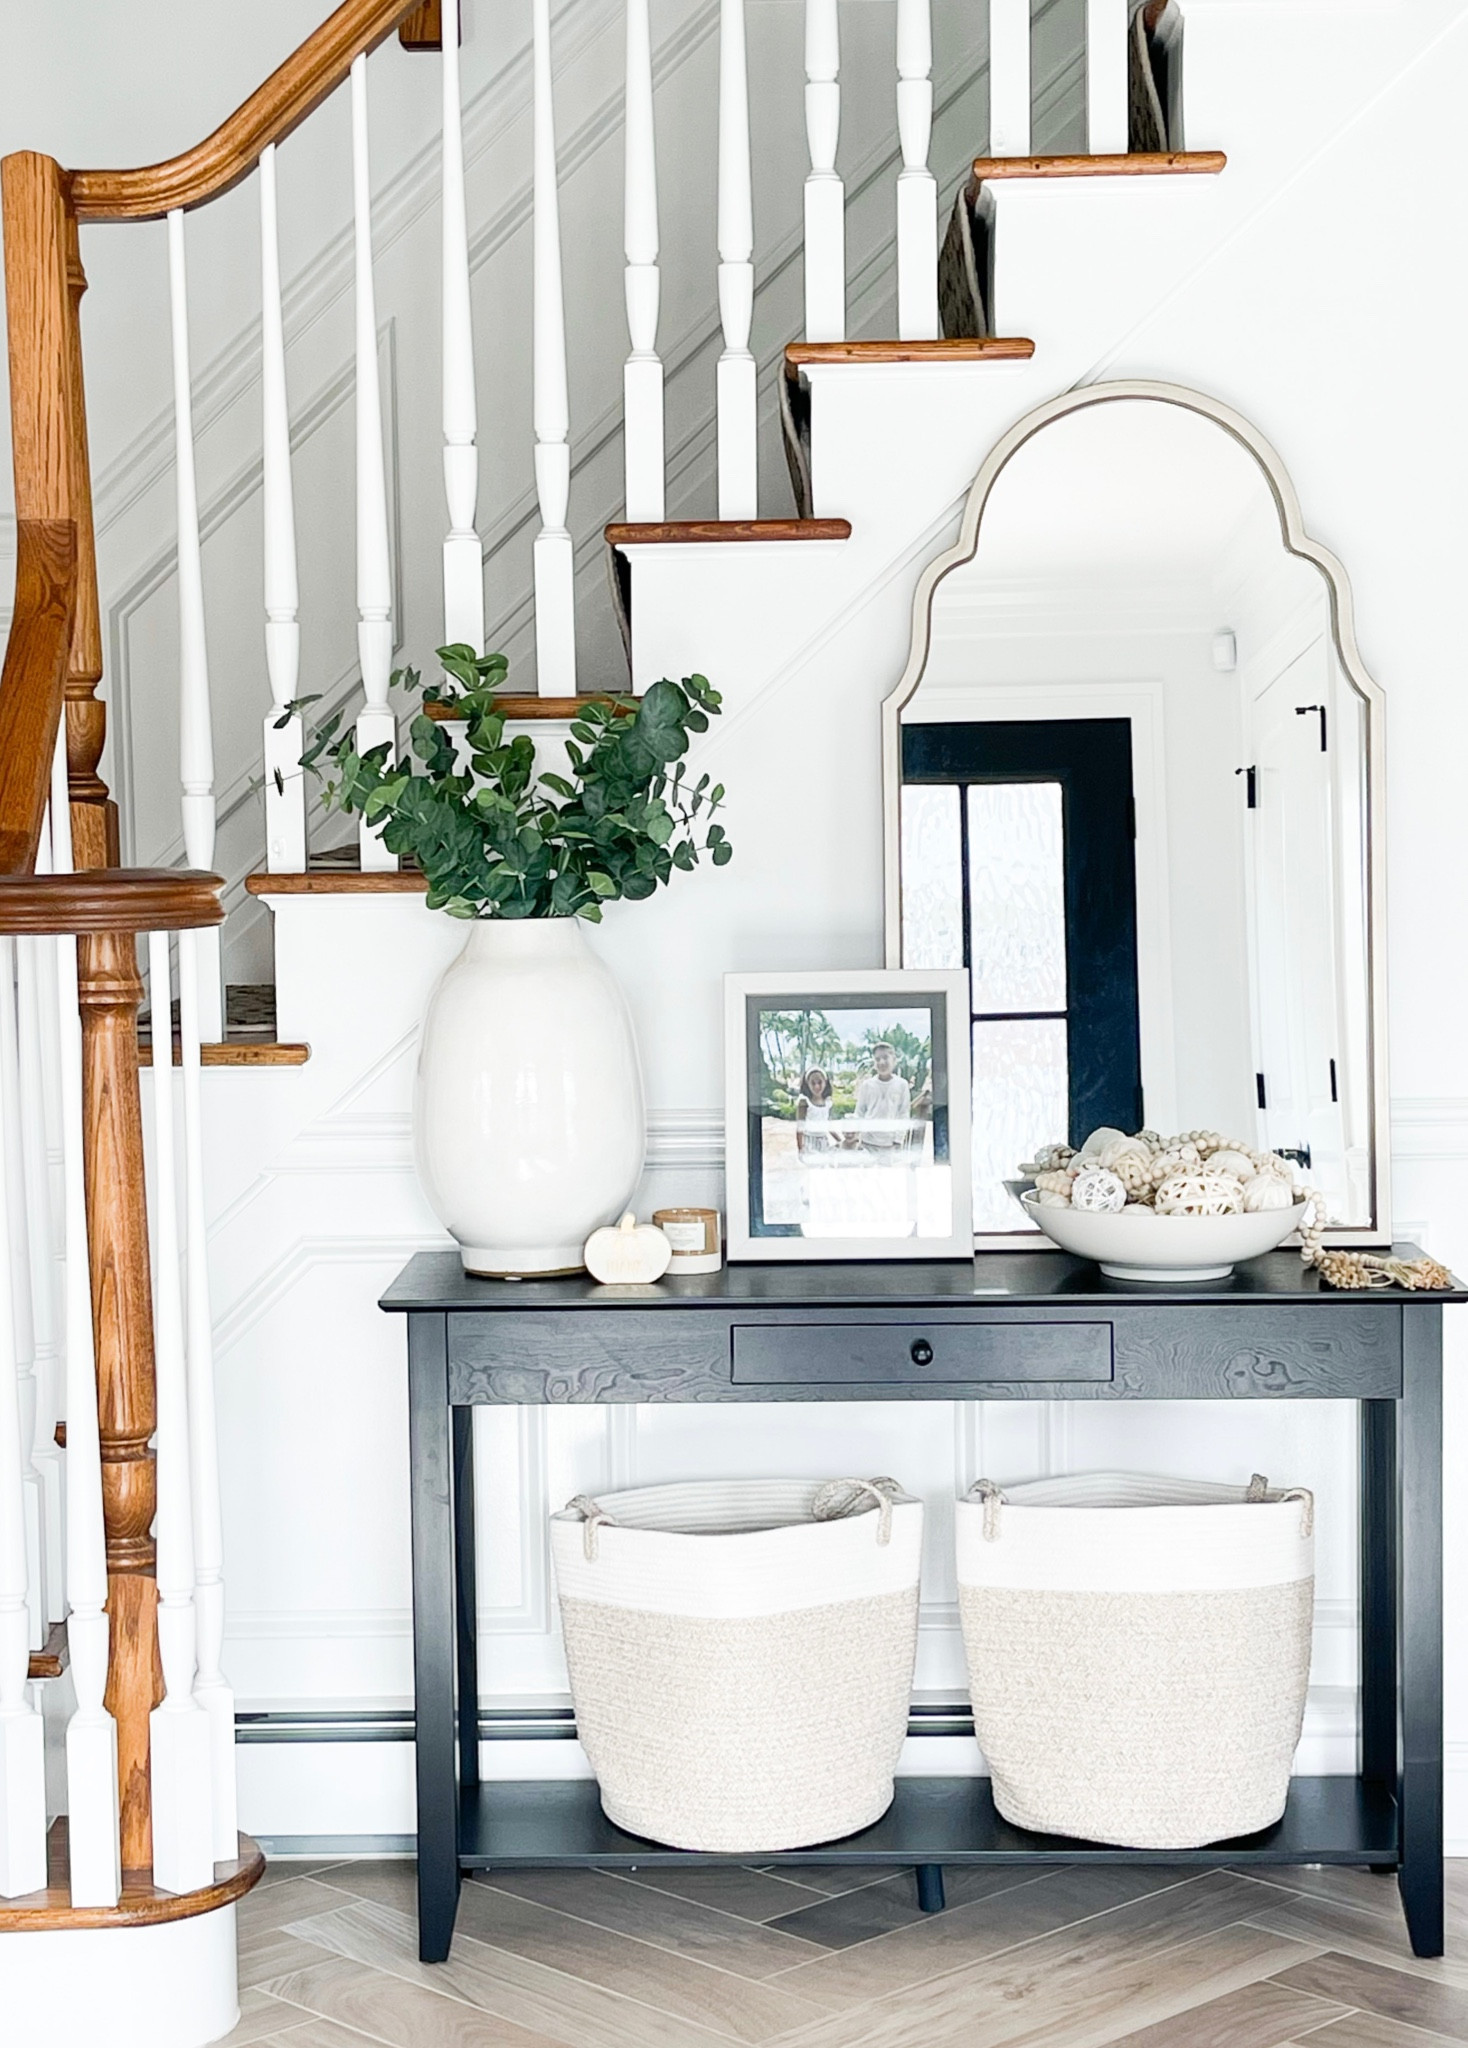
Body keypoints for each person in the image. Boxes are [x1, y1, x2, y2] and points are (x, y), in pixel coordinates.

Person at [853, 1043, 911, 1154]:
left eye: (885, 1058)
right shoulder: (867, 1085)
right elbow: (859, 1112)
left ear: (894, 1060)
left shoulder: (902, 1085)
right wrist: (856, 1137)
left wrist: (898, 1140)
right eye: (877, 1059)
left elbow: (903, 1113)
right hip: (867, 1141)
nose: (882, 1062)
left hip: (889, 1143)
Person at [795, 1067, 835, 1156]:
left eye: (820, 1082)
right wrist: (800, 1148)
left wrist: (840, 1140)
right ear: (807, 1084)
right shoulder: (804, 1101)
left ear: (825, 1082)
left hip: (823, 1140)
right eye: (813, 1083)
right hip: (810, 1141)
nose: (817, 1086)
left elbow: (828, 1125)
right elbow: (800, 1127)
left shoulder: (827, 1102)